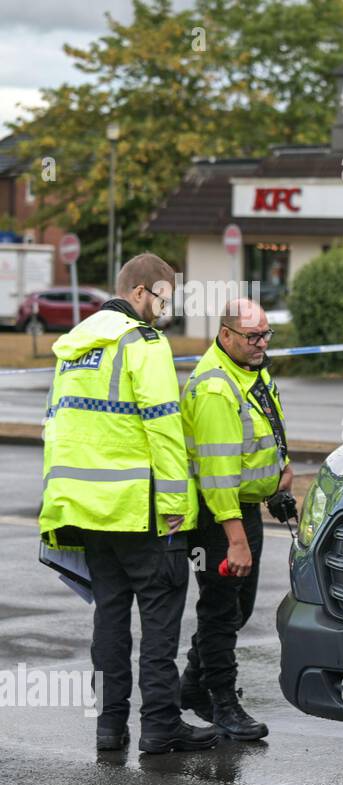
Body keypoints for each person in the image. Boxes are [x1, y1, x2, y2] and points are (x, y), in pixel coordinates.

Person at [39, 253, 217, 753]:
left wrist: (60, 505)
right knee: (160, 624)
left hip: (87, 513)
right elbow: (163, 428)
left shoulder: (74, 349)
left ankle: (109, 727)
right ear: (140, 292)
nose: (166, 308)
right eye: (163, 297)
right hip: (143, 513)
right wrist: (178, 505)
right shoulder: (144, 343)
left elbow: (57, 430)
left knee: (110, 623)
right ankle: (160, 726)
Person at [179, 298, 292, 740]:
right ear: (225, 335)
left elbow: (266, 426)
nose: (262, 343)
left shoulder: (249, 369)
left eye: (266, 334)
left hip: (244, 509)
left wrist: (282, 469)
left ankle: (191, 686)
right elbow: (218, 473)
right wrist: (236, 539)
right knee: (221, 609)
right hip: (218, 516)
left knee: (237, 607)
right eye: (253, 336)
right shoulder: (214, 388)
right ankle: (223, 703)